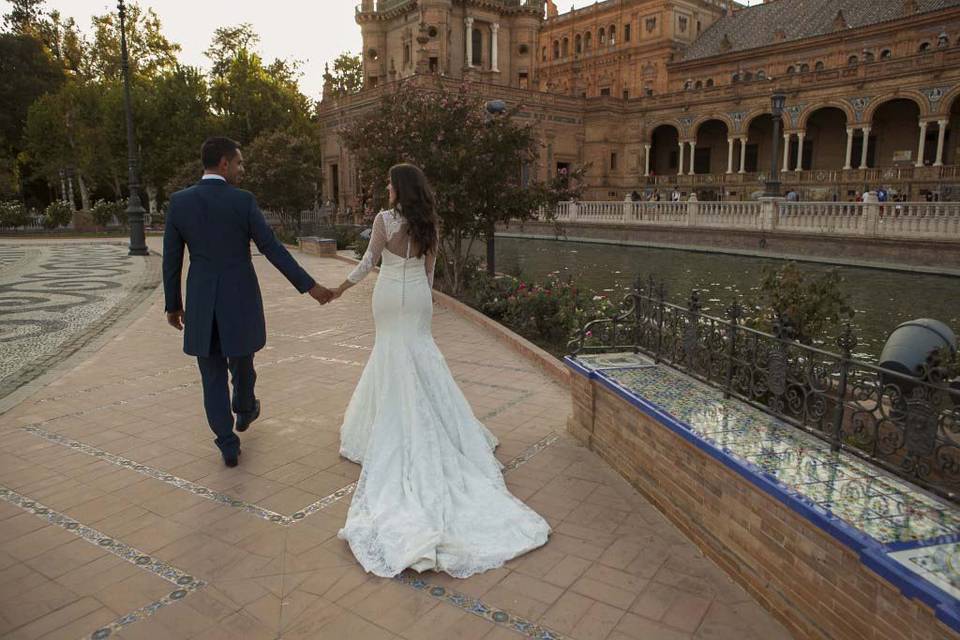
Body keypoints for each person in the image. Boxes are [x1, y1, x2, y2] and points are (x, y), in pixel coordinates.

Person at [323, 163, 550, 578]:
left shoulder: (384, 221)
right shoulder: (429, 223)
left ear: (399, 189)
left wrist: (339, 289)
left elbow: (368, 263)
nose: (387, 187)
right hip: (418, 300)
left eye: (390, 182)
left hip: (389, 296)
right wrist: (423, 307)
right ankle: (436, 424)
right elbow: (429, 272)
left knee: (390, 357)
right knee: (419, 356)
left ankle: (386, 426)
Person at [162, 137, 333, 467]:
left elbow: (171, 259)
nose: (242, 169)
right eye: (239, 163)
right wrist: (309, 286)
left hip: (200, 301)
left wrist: (173, 304)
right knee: (241, 360)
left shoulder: (180, 203)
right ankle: (244, 407)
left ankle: (227, 443)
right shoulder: (242, 201)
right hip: (238, 299)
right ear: (224, 164)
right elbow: (272, 248)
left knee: (211, 373)